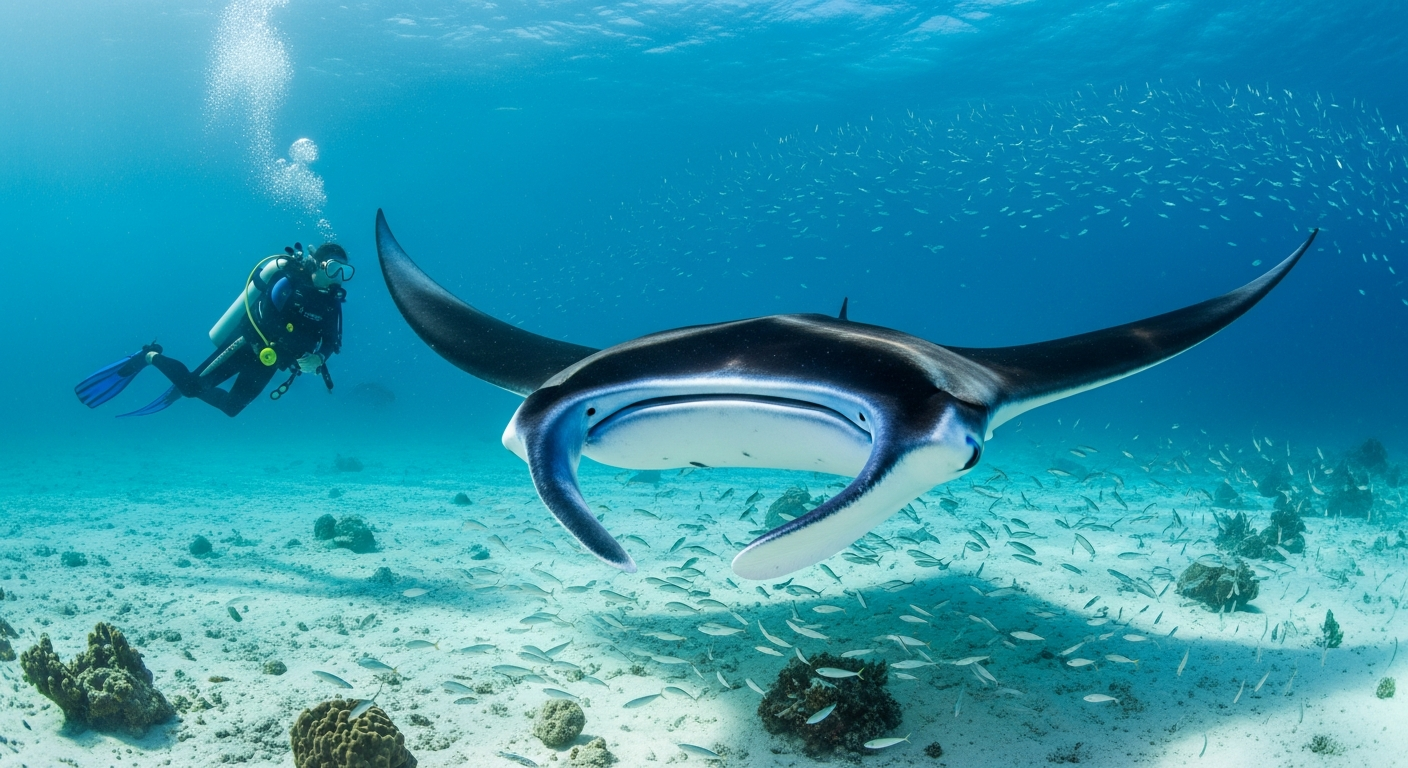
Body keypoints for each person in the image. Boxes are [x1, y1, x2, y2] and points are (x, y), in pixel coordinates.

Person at [75, 242, 351, 417]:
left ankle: (185, 383)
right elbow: (267, 317)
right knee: (192, 388)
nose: (338, 277)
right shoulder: (289, 283)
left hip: (272, 361)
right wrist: (290, 346)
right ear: (317, 264)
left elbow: (331, 341)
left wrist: (320, 357)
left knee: (231, 408)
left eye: (345, 272)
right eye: (334, 268)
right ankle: (149, 356)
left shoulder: (331, 303)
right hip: (246, 345)